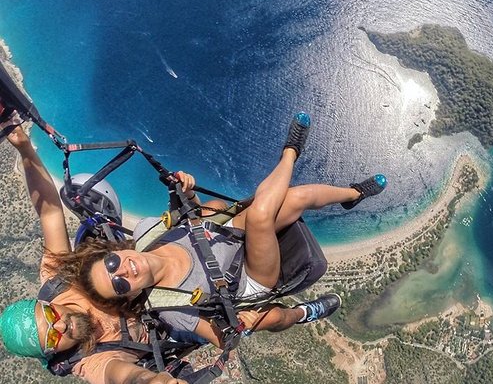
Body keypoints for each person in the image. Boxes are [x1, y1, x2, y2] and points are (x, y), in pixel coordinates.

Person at [56, 112, 387, 347]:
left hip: (227, 235)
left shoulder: (146, 231)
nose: (124, 272)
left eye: (113, 265)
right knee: (260, 214)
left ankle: (353, 195)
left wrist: (186, 193)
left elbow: (194, 216)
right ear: (128, 296)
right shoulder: (169, 309)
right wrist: (229, 333)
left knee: (297, 197)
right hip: (247, 277)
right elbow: (213, 335)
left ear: (117, 252)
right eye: (119, 284)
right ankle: (291, 152)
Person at [0, 119, 186, 384]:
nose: (61, 326)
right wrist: (149, 380)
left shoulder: (57, 282)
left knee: (160, 225)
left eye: (51, 316)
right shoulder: (88, 360)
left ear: (46, 304)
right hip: (169, 316)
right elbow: (117, 373)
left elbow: (50, 212)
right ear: (52, 353)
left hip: (140, 271)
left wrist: (25, 148)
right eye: (53, 338)